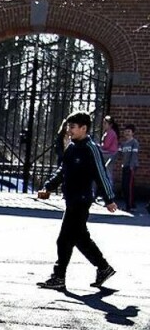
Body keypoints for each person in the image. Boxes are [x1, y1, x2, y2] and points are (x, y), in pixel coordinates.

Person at [36, 111, 117, 291]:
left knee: (64, 239)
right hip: (71, 199)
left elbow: (101, 174)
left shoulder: (91, 148)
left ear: (83, 128)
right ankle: (104, 267)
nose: (68, 130)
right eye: (68, 126)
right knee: (80, 238)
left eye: (72, 127)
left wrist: (109, 199)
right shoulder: (72, 147)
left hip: (81, 200)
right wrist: (48, 187)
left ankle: (58, 277)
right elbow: (62, 171)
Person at [118, 124, 139, 211]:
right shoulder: (123, 144)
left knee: (129, 187)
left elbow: (134, 155)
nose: (127, 133)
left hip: (131, 167)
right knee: (124, 186)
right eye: (126, 131)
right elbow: (119, 154)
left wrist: (131, 166)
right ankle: (131, 204)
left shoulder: (134, 142)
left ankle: (129, 206)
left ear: (132, 133)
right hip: (125, 166)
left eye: (129, 131)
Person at [100, 115, 119, 190]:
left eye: (105, 123)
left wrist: (99, 146)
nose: (103, 125)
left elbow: (106, 146)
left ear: (110, 125)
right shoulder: (107, 132)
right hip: (108, 154)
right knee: (107, 173)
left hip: (109, 154)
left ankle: (110, 192)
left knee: (108, 173)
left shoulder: (111, 133)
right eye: (103, 123)